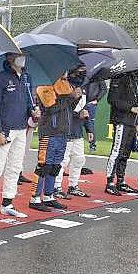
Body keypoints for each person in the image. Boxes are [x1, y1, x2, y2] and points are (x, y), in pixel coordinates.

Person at [0, 53, 40, 222]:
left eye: (23, 55)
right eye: (18, 55)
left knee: (15, 167)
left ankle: (7, 203)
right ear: (10, 58)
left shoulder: (27, 78)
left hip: (21, 129)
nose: (22, 58)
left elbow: (30, 103)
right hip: (5, 130)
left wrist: (34, 111)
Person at [30, 74, 79, 211]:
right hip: (49, 132)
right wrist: (71, 97)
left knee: (55, 166)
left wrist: (77, 97)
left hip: (63, 132)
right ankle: (34, 198)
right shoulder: (44, 85)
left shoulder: (66, 83)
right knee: (43, 166)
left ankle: (49, 196)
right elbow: (51, 107)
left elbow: (69, 107)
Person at [105, 71, 138, 195]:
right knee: (117, 151)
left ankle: (120, 181)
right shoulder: (119, 77)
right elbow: (112, 99)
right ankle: (110, 183)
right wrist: (130, 108)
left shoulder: (137, 79)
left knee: (126, 153)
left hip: (132, 122)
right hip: (121, 120)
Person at [56, 65, 91, 197]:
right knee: (63, 160)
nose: (83, 71)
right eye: (81, 69)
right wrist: (77, 113)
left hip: (78, 129)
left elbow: (84, 108)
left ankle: (73, 185)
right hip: (66, 127)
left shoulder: (84, 86)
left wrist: (89, 128)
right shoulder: (64, 85)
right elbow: (63, 109)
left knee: (79, 158)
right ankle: (56, 187)